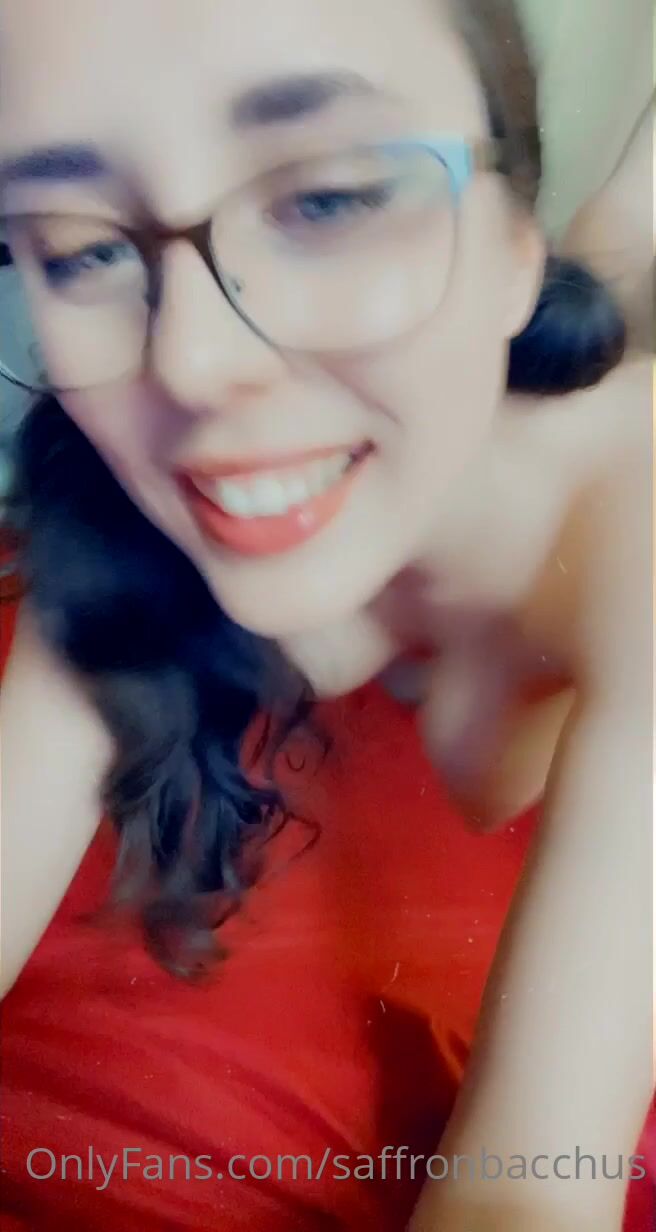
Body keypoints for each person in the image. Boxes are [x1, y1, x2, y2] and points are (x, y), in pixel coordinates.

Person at [0, 1, 652, 1229]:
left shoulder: (634, 540)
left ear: (511, 242)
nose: (189, 364)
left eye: (329, 199)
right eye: (80, 247)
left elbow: (525, 1191)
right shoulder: (116, 488)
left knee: (621, 255)